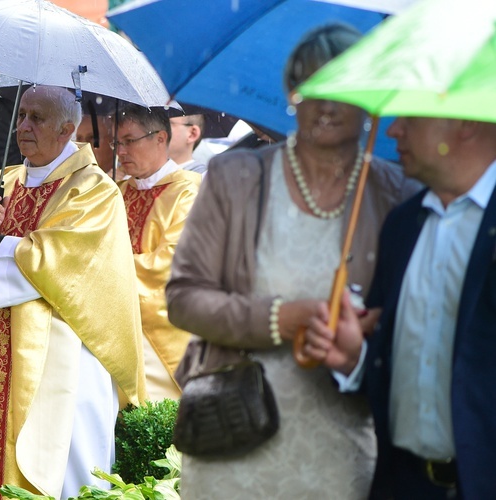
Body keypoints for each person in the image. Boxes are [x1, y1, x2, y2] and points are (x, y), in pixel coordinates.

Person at [165, 24, 421, 499]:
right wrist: (283, 317)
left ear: (369, 98)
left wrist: (367, 331)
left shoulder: (399, 196)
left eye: (341, 86)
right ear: (290, 93)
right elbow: (183, 300)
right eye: (311, 86)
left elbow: (415, 325)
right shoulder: (234, 178)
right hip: (232, 438)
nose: (325, 104)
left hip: (340, 449)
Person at [0, 85, 146, 499]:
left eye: (37, 118)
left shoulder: (94, 190)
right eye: (23, 114)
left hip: (59, 356)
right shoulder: (4, 180)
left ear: (69, 128)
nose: (23, 126)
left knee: (56, 469)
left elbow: (69, 261)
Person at [304, 116, 496, 499]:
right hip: (404, 484)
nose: (393, 130)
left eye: (412, 118)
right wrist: (354, 358)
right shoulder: (402, 225)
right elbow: (391, 362)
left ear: (464, 123)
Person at [116, 104, 200, 401]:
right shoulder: (116, 191)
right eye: (117, 143)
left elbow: (173, 262)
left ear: (160, 138)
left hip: (160, 332)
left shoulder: (191, 191)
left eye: (129, 140)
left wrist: (104, 274)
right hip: (114, 326)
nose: (121, 151)